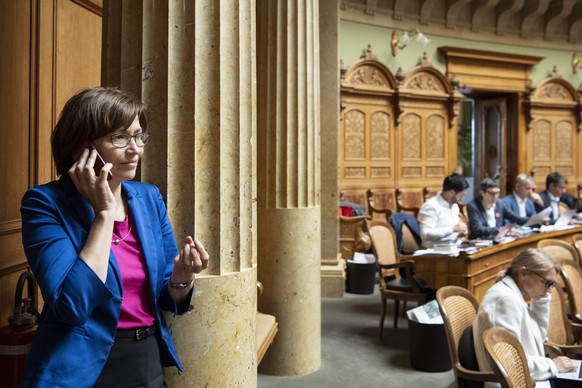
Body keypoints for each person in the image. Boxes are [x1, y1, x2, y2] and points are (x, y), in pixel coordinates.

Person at [19, 87, 210, 387]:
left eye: (138, 136)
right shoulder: (44, 204)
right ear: (82, 147)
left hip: (145, 359)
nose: (135, 148)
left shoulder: (149, 198)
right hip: (76, 366)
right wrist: (104, 215)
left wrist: (181, 278)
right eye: (119, 138)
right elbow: (72, 307)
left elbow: (165, 295)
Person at [472, 249, 575, 388]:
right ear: (523, 273)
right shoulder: (506, 300)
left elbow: (538, 337)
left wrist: (541, 301)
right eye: (547, 283)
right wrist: (552, 365)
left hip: (532, 377)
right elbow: (510, 363)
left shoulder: (513, 294)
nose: (550, 291)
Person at [418, 173, 469, 248]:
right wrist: (452, 229)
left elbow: (453, 230)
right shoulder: (431, 206)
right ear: (451, 192)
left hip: (453, 246)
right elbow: (425, 234)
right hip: (435, 250)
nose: (462, 199)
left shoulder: (454, 206)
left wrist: (460, 232)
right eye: (461, 195)